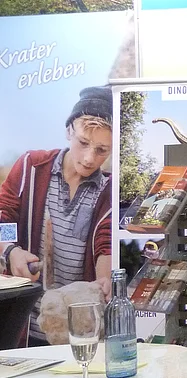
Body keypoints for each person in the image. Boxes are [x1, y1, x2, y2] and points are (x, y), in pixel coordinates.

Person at [0, 86, 113, 346]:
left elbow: (105, 243)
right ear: (68, 131)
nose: (89, 159)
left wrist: (104, 279)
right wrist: (11, 251)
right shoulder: (31, 167)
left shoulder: (108, 191)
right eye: (83, 143)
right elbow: (4, 218)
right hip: (23, 329)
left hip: (76, 334)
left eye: (101, 150)